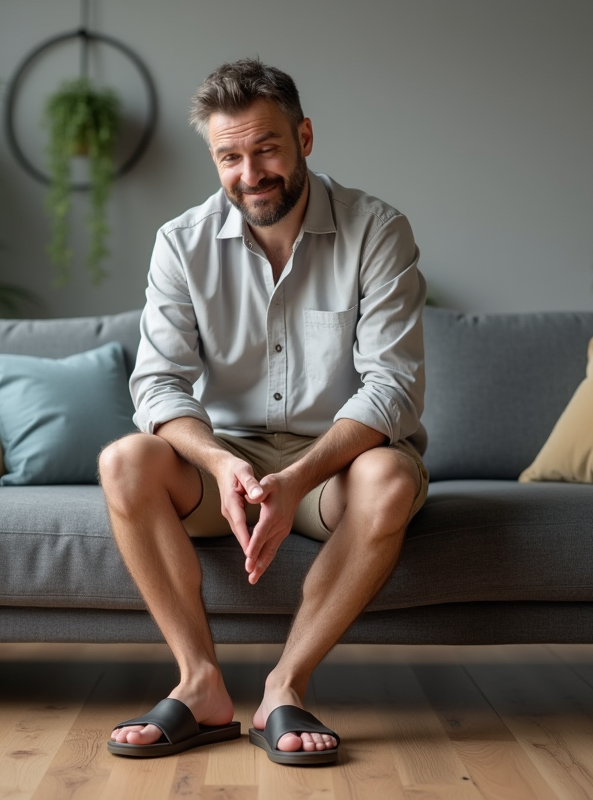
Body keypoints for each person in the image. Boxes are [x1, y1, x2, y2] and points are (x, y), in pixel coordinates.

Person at [98, 58, 427, 766]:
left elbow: (392, 387)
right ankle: (199, 685)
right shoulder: (180, 243)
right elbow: (157, 385)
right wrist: (222, 465)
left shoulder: (378, 230)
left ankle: (285, 686)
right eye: (230, 157)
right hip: (226, 466)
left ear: (304, 138)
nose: (250, 173)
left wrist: (299, 477)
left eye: (267, 149)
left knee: (393, 479)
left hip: (335, 465)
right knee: (124, 460)